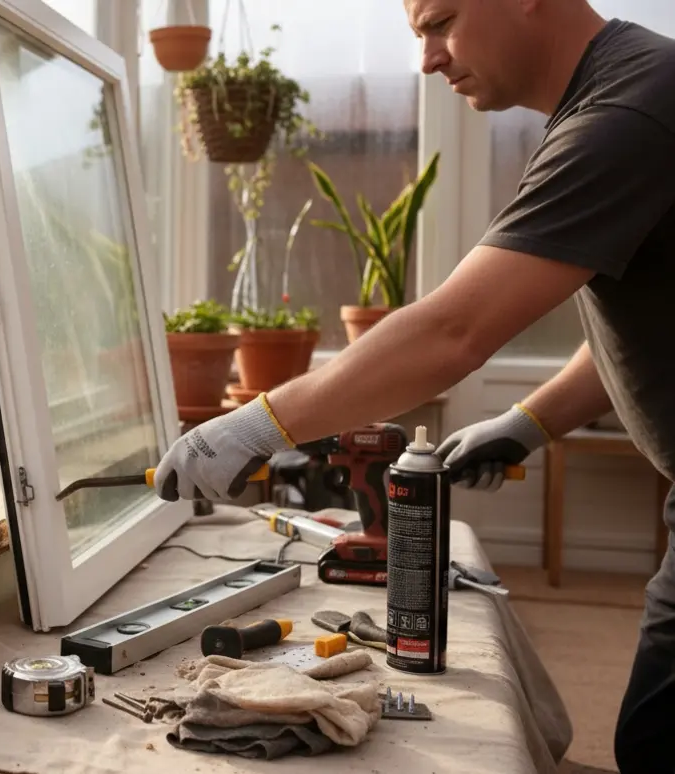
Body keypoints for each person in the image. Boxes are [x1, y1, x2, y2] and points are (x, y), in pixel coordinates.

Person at [150, 0, 675, 770]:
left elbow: (452, 332)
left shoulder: (629, 111)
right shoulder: (631, 89)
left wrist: (255, 425)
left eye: (440, 21)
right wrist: (528, 420)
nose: (428, 59)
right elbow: (642, 332)